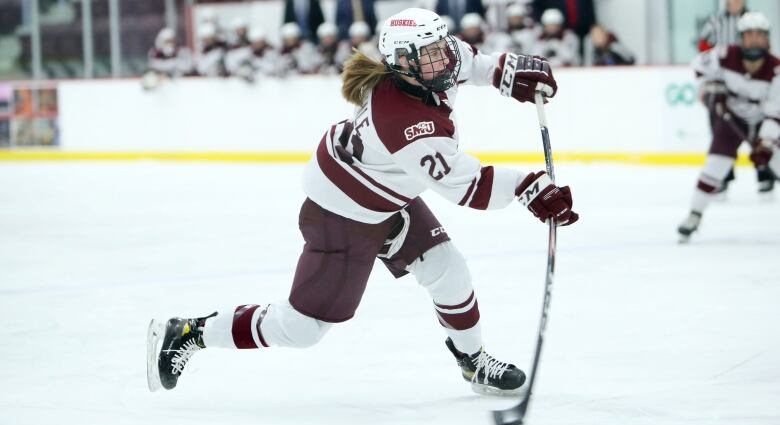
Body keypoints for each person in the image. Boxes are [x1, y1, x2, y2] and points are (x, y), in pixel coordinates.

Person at [147, 8, 578, 396]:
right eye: (430, 54)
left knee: (449, 269)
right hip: (343, 212)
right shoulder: (406, 122)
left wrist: (504, 72)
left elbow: (471, 61)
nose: (444, 59)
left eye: (441, 47)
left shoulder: (430, 62)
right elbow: (469, 187)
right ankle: (188, 332)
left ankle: (473, 362)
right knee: (301, 328)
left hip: (385, 196)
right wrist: (529, 188)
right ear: (403, 65)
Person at [678, 12, 780, 242]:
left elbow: (776, 113)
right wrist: (708, 89)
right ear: (740, 38)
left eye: (759, 35)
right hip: (730, 120)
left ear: (767, 39)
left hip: (763, 123)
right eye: (749, 35)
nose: (754, 40)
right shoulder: (723, 55)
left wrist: (765, 143)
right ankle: (694, 216)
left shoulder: (776, 70)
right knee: (714, 168)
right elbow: (698, 67)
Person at [697, 0, 771, 194]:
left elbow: (764, 46)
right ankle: (723, 176)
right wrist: (710, 78)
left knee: (761, 128)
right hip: (724, 82)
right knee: (721, 131)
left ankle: (765, 172)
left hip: (750, 79)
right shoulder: (716, 20)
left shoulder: (754, 18)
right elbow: (703, 46)